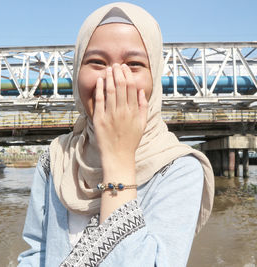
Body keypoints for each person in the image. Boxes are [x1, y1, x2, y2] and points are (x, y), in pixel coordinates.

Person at [18, 2, 214, 266]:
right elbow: (35, 254)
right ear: (77, 73)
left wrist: (119, 158)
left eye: (134, 64)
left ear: (154, 77)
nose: (114, 79)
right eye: (97, 62)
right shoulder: (55, 158)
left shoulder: (180, 169)